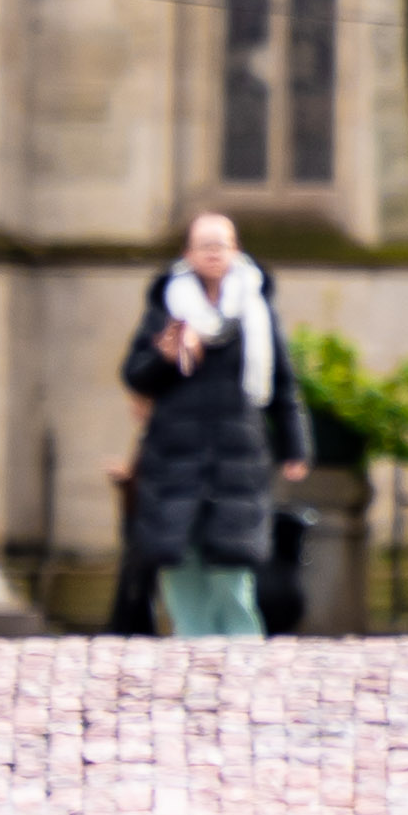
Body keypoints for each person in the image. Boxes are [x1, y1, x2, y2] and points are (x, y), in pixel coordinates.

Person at [115, 212, 315, 638]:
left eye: (220, 244)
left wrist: (296, 447)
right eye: (203, 244)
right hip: (175, 458)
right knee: (181, 563)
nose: (212, 252)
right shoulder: (167, 308)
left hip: (237, 458)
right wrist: (165, 357)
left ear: (235, 251)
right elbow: (134, 374)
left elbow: (282, 383)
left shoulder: (256, 311)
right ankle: (191, 648)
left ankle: (242, 654)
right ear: (187, 254)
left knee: (233, 568)